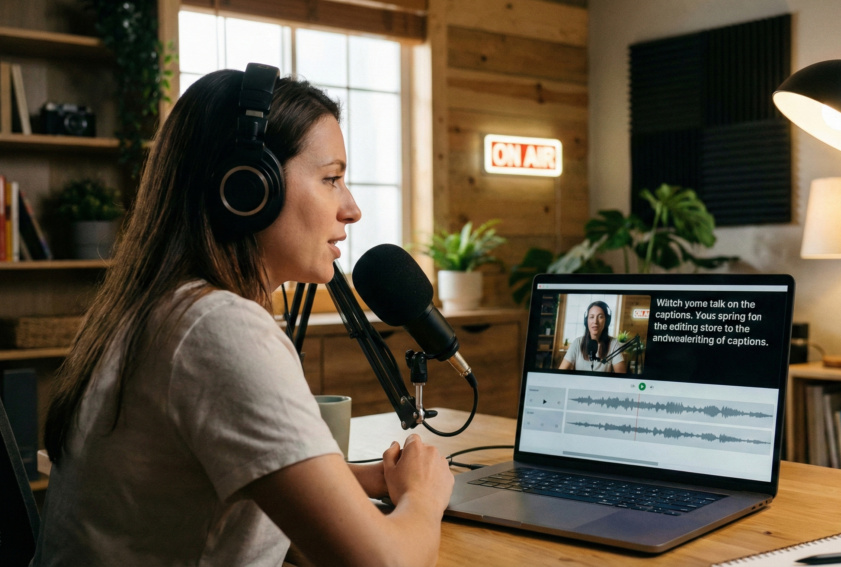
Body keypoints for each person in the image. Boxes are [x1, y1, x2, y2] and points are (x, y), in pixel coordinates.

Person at [33, 66, 454, 567]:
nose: (351, 209)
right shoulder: (215, 329)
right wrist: (423, 497)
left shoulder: (157, 310)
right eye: (331, 179)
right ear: (250, 188)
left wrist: (351, 481)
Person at [558, 301, 627, 373]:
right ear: (586, 321)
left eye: (600, 317)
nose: (595, 321)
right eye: (591, 317)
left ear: (607, 321)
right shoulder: (577, 342)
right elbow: (561, 373)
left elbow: (621, 376)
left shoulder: (613, 343)